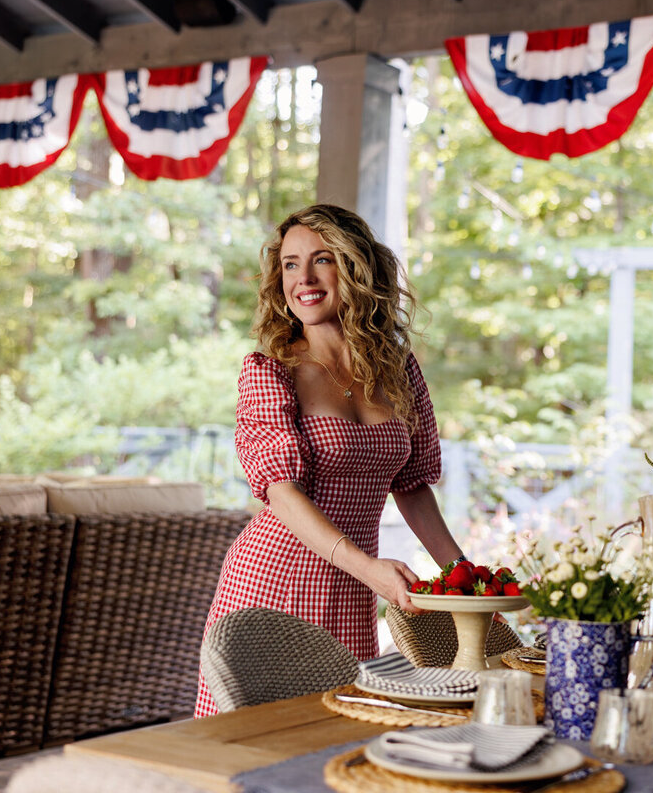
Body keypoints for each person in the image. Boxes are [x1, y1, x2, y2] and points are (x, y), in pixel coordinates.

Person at [195, 204, 467, 718]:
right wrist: (370, 569)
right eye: (291, 264)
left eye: (323, 260)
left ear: (357, 270)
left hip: (356, 585)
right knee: (264, 739)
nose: (305, 278)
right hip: (276, 577)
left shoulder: (399, 369)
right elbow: (282, 492)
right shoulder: (269, 370)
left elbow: (411, 486)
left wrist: (466, 577)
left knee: (345, 733)